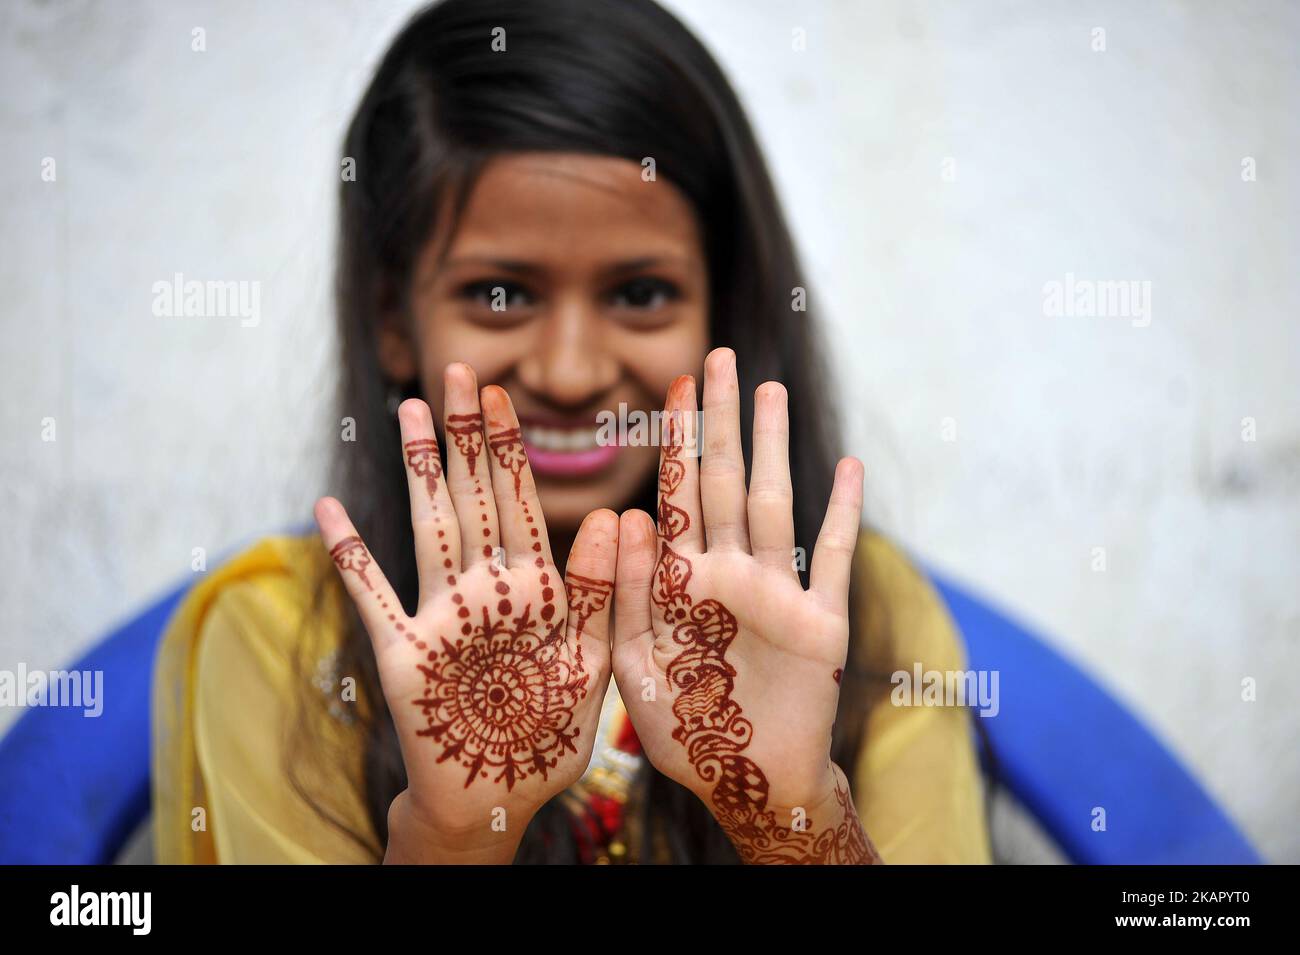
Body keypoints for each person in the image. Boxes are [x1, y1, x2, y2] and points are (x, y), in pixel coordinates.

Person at [152, 0, 991, 864]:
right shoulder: (280, 636)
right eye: (501, 294)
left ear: (721, 311)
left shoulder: (857, 611)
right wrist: (452, 834)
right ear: (391, 316)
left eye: (638, 293)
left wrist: (788, 815)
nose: (569, 372)